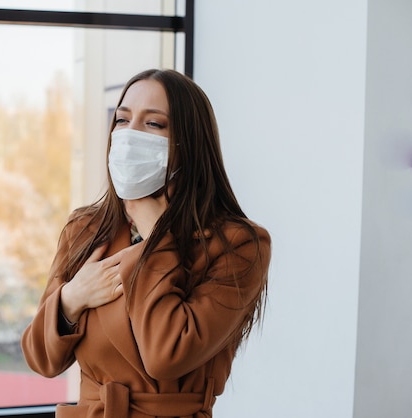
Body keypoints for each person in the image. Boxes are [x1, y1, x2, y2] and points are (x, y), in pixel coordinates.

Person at [21, 69, 271, 418]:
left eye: (153, 124)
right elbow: (41, 358)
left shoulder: (239, 244)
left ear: (190, 143)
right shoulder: (85, 228)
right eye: (122, 120)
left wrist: (157, 238)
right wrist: (71, 299)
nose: (129, 134)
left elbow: (166, 354)